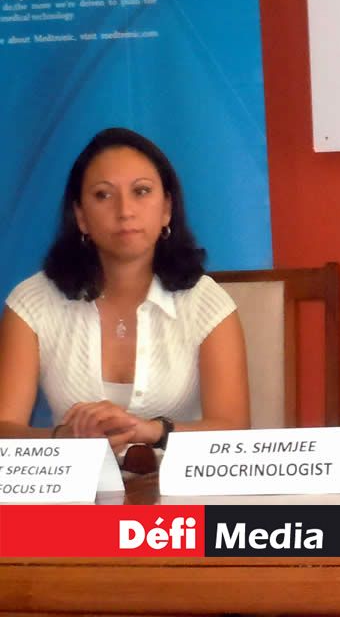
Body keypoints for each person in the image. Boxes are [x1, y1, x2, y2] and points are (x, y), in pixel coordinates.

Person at [0, 128, 250, 452]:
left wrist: (152, 431)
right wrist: (65, 439)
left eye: (141, 191)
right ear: (80, 216)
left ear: (167, 209)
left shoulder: (206, 304)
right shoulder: (32, 304)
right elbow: (4, 429)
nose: (125, 211)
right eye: (103, 195)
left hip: (176, 482)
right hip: (73, 482)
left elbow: (233, 431)